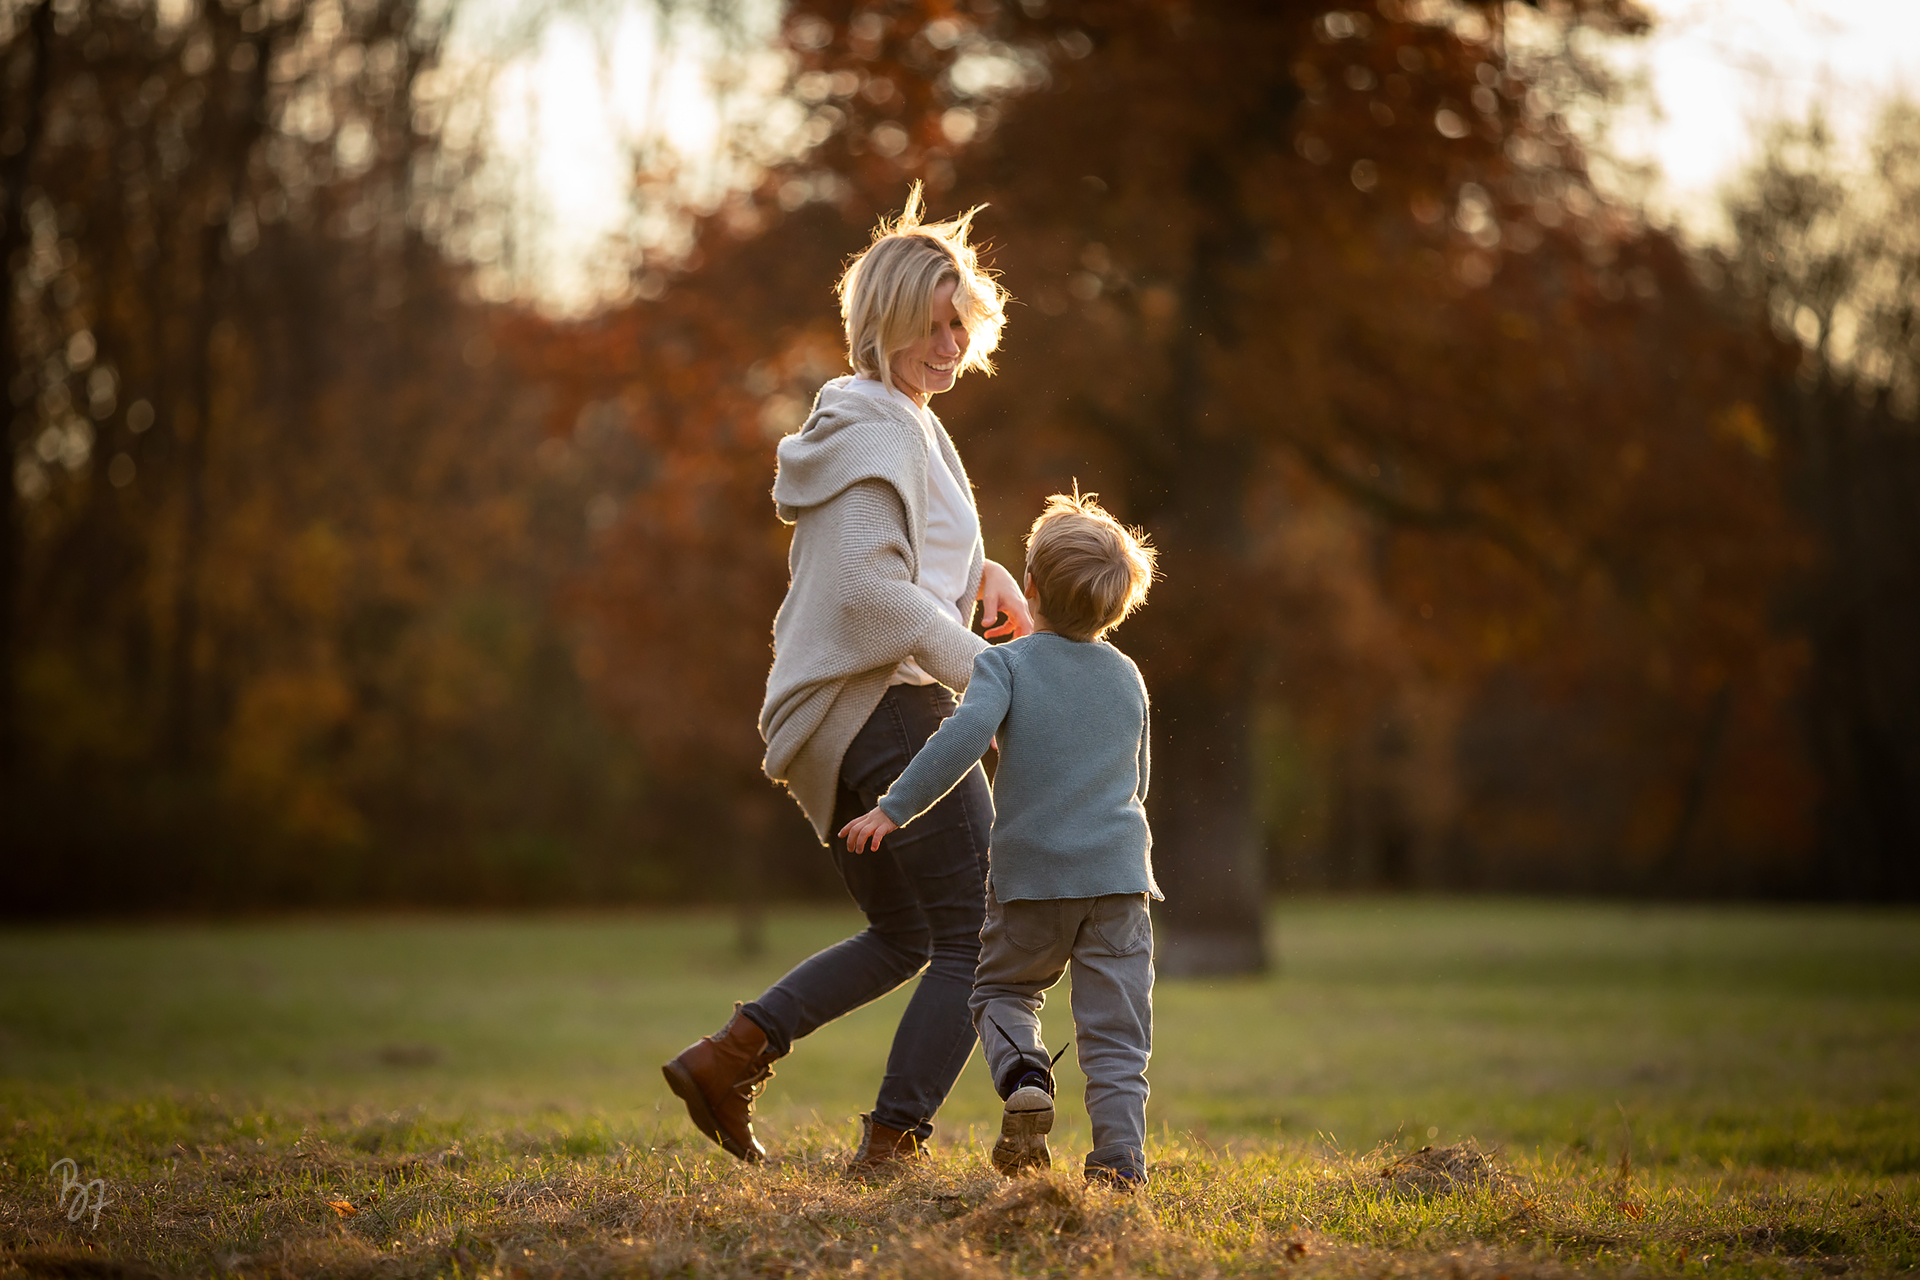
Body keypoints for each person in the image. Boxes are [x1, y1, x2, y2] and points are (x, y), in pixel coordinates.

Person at [661, 185, 1032, 1173]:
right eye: (934, 323)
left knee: (905, 929)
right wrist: (994, 676)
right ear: (886, 319)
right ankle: (891, 1146)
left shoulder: (892, 416)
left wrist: (979, 576)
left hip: (850, 720)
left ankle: (726, 1056)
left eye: (963, 325)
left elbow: (899, 561)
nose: (953, 343)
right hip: (894, 710)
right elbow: (871, 596)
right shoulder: (881, 424)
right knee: (981, 935)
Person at [839, 491, 1161, 1189]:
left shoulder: (1006, 666)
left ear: (1033, 589)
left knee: (1000, 992)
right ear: (1117, 604)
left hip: (1032, 883)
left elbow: (957, 740)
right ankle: (1119, 1167)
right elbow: (1135, 780)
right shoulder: (1129, 678)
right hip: (1119, 883)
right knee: (1116, 1040)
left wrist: (892, 810)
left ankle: (1022, 1073)